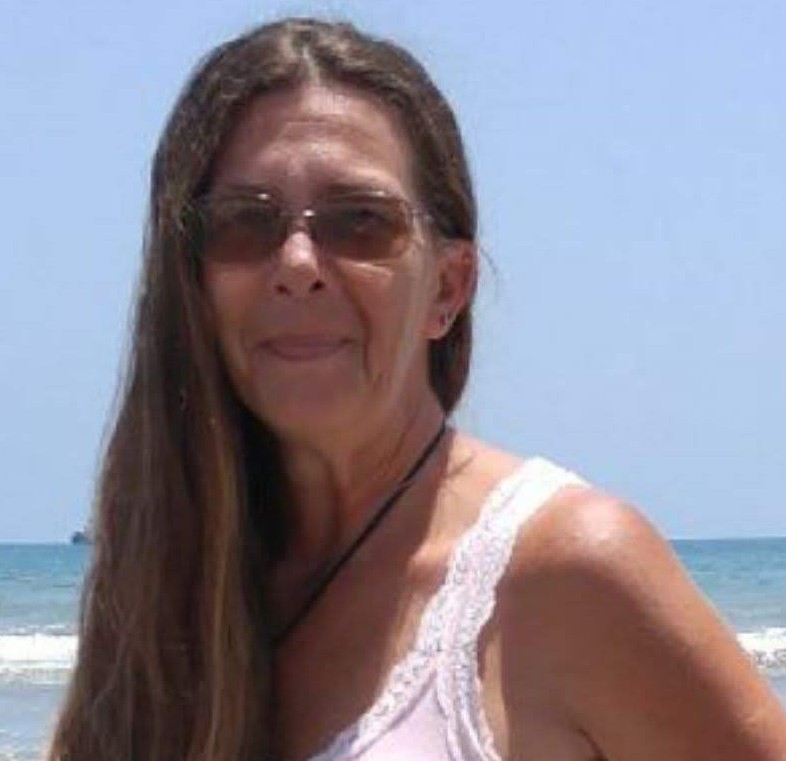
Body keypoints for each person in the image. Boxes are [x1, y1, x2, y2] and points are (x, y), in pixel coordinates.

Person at [48, 17, 786, 761]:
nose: (297, 262)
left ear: (447, 288)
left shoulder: (563, 573)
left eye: (360, 222)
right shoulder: (158, 610)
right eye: (245, 223)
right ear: (192, 284)